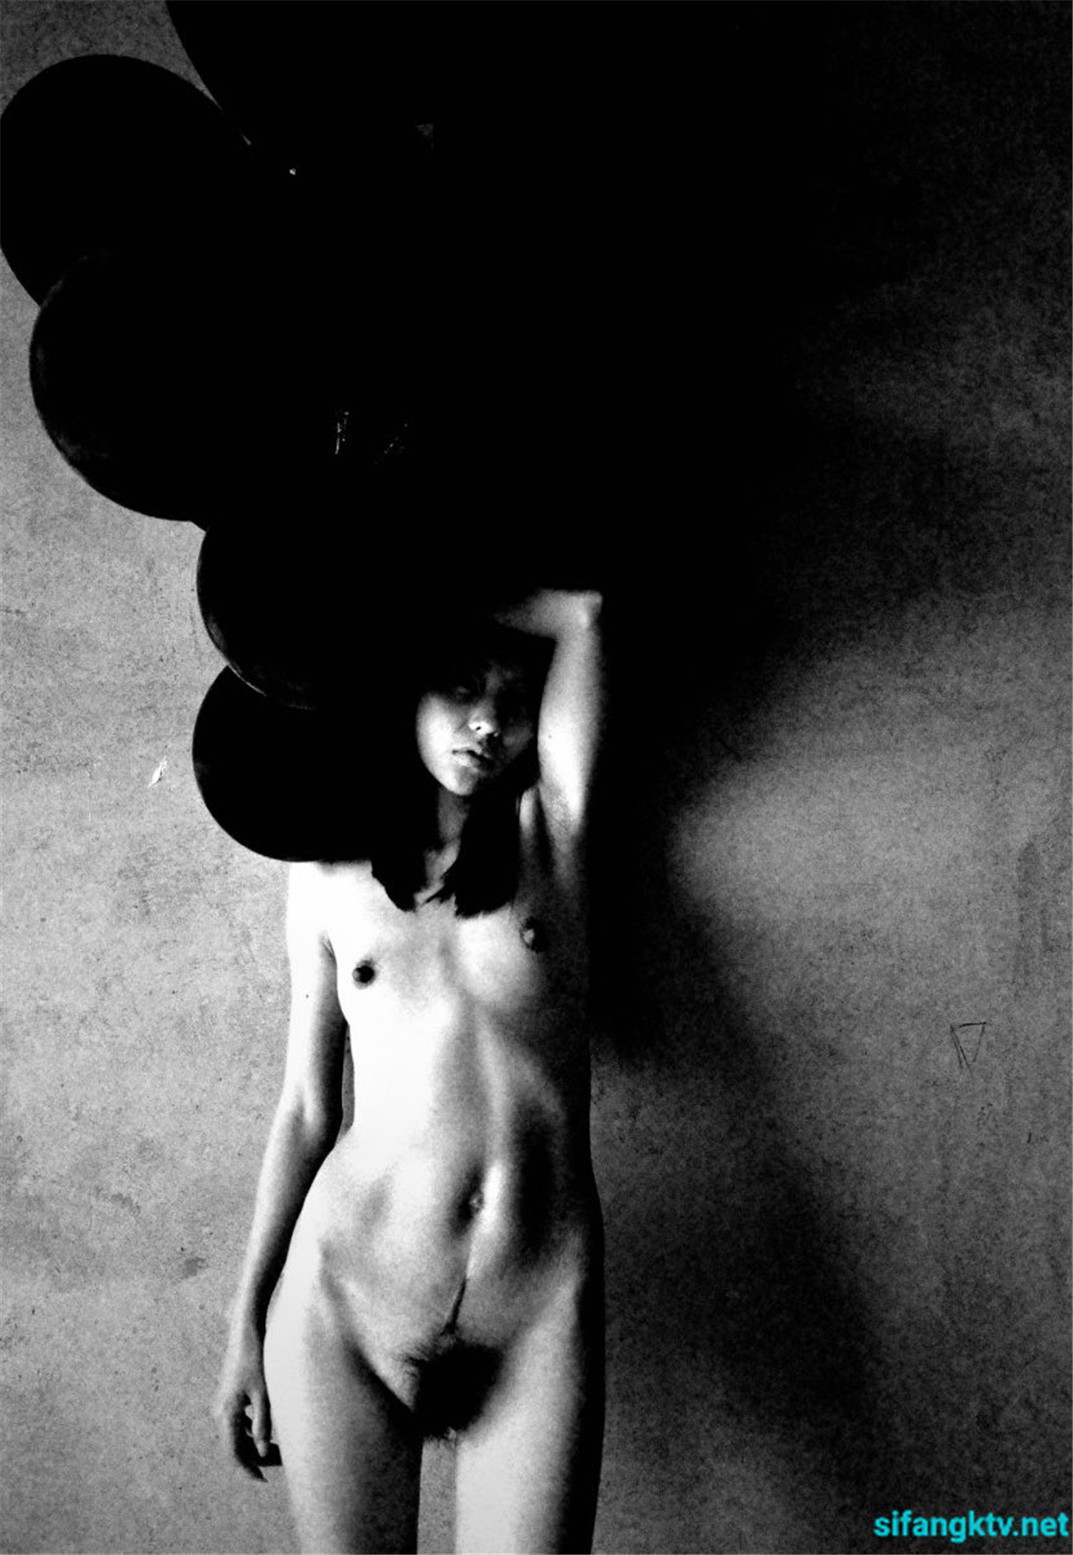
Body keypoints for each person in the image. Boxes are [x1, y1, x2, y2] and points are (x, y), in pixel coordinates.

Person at [213, 587, 606, 1555]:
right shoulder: (323, 874)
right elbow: (307, 1108)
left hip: (536, 1300)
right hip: (344, 1295)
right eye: (459, 689)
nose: (488, 723)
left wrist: (417, 585)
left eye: (512, 700)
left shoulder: (551, 831)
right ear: (404, 695)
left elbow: (583, 614)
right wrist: (244, 1319)